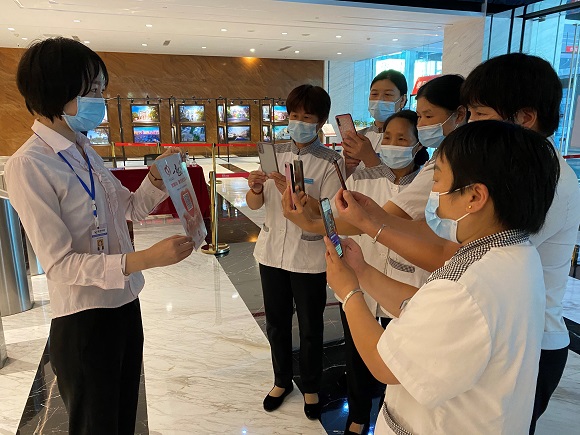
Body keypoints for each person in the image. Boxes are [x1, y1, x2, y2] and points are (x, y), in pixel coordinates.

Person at [335, 54, 580, 433]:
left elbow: (390, 362)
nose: (468, 122)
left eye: (479, 114)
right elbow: (442, 284)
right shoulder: (506, 249)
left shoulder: (474, 275)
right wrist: (368, 249)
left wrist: (350, 290)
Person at [5, 37, 194, 434]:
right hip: (84, 320)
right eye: (91, 90)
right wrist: (146, 259)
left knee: (123, 416)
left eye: (101, 90)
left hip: (125, 304)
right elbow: (59, 264)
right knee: (96, 424)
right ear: (56, 91)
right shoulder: (30, 164)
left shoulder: (83, 148)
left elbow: (129, 208)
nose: (100, 100)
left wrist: (156, 177)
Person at [282, 110, 429, 434]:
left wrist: (313, 221)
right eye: (387, 138)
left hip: (403, 288)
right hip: (360, 280)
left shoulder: (425, 185)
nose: (392, 144)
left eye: (401, 139)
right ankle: (359, 416)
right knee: (358, 354)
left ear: (418, 146)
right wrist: (310, 212)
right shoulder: (363, 178)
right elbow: (337, 218)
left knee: (399, 359)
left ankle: (391, 414)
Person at [246, 84, 344, 420]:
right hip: (271, 253)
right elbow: (255, 204)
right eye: (293, 115)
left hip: (308, 258)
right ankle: (281, 380)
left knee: (311, 325)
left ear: (320, 121)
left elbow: (331, 214)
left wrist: (300, 196)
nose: (298, 122)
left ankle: (311, 385)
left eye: (307, 117)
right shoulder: (273, 153)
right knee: (276, 322)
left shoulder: (330, 162)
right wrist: (255, 188)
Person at [343, 70, 408, 177]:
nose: (379, 100)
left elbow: (401, 179)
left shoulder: (408, 139)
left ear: (402, 100)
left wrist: (369, 158)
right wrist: (348, 166)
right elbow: (346, 179)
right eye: (374, 94)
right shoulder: (359, 136)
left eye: (388, 94)